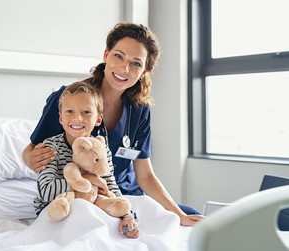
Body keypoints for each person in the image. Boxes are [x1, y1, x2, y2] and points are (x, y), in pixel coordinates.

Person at [23, 22, 203, 226]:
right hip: (81, 194)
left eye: (136, 63)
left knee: (189, 214)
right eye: (119, 56)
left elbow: (145, 176)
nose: (124, 68)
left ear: (144, 71)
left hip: (124, 195)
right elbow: (30, 152)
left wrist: (178, 214)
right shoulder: (69, 99)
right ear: (106, 55)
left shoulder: (139, 110)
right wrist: (32, 159)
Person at [33, 81, 139, 238]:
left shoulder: (101, 149)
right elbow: (46, 192)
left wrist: (127, 215)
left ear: (98, 119)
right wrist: (87, 179)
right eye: (70, 111)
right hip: (57, 210)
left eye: (86, 112)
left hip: (93, 203)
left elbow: (110, 185)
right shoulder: (51, 147)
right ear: (61, 118)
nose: (77, 118)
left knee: (109, 227)